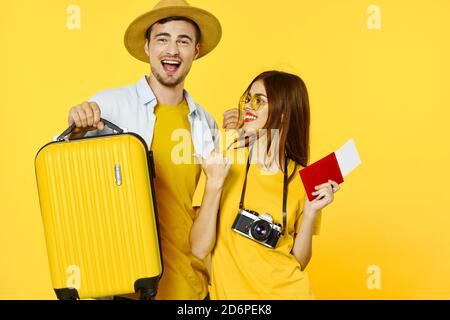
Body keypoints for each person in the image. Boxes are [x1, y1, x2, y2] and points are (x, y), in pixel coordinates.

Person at [66, 0, 222, 300]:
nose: (173, 50)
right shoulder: (109, 105)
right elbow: (67, 173)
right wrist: (76, 125)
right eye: (163, 39)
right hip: (125, 287)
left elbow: (209, 206)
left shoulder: (205, 123)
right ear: (148, 47)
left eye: (183, 41)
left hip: (188, 285)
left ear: (196, 51)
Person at [190, 70, 340, 299]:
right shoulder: (226, 159)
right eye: (248, 98)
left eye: (259, 100)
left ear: (283, 113)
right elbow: (199, 248)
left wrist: (310, 213)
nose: (249, 106)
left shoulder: (303, 180)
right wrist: (214, 184)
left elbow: (297, 261)